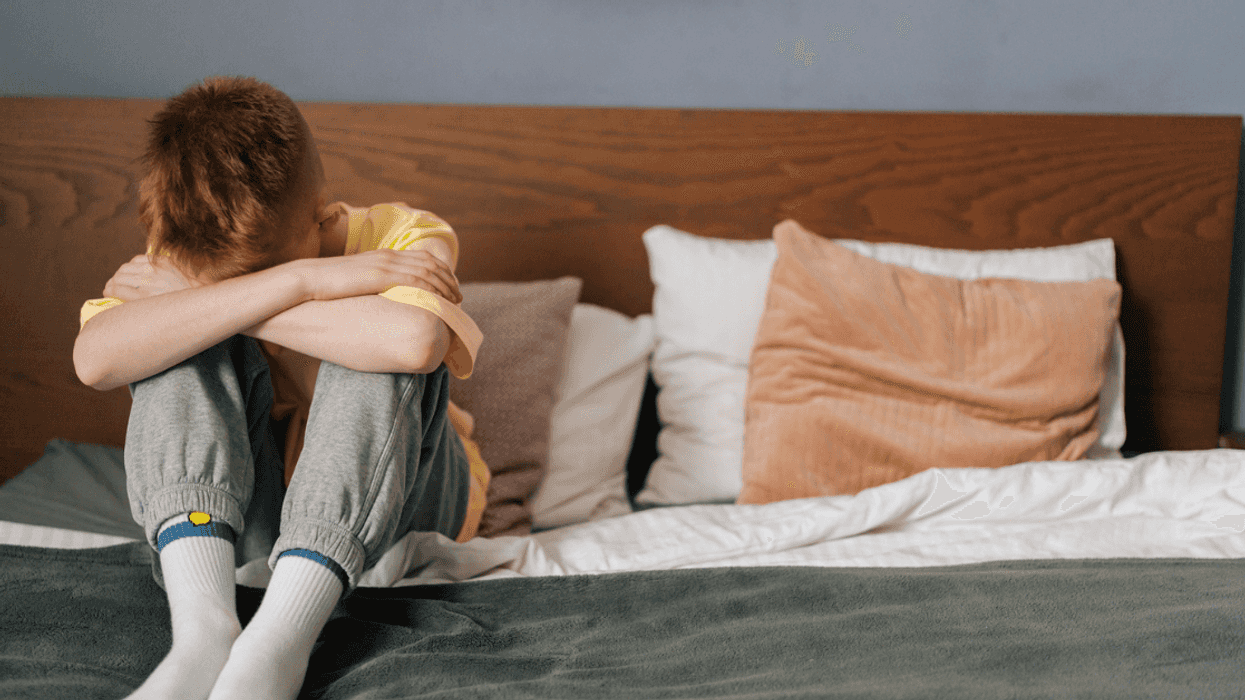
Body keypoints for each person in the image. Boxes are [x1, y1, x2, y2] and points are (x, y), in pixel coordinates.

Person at [71, 75, 489, 700]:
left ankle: (276, 644)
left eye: (280, 267)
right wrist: (298, 282)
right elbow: (94, 361)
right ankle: (204, 633)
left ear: (322, 223)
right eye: (226, 280)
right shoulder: (187, 239)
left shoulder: (403, 237)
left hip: (412, 505)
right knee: (170, 347)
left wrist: (231, 297)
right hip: (254, 520)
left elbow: (415, 344)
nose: (267, 283)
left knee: (378, 339)